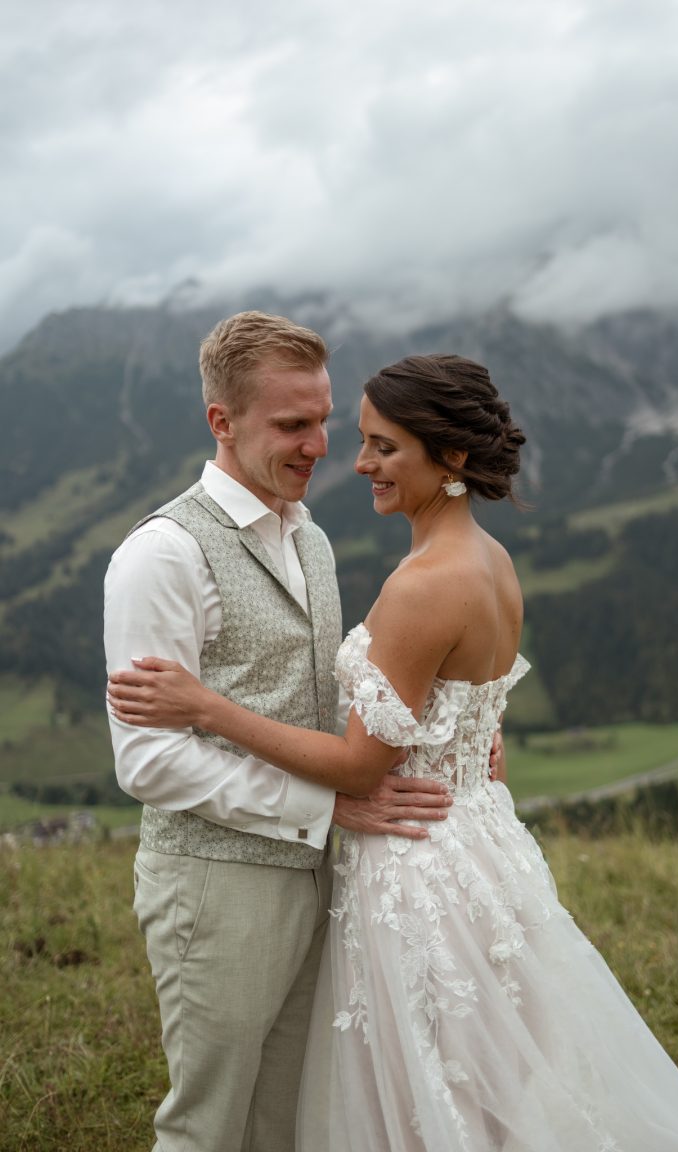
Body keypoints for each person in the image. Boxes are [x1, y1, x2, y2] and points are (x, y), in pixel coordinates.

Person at [109, 354, 678, 1152]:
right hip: (480, 849)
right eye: (356, 438)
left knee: (421, 1094)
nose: (357, 461)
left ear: (450, 457)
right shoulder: (494, 562)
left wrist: (207, 706)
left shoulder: (415, 583)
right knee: (478, 1084)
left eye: (382, 446)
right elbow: (485, 737)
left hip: (413, 866)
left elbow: (360, 766)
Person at [103, 312, 457, 1152]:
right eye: (293, 425)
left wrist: (441, 735)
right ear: (221, 422)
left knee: (286, 1122)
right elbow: (146, 761)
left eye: (323, 418)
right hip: (214, 885)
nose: (321, 445)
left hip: (317, 880)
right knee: (207, 1126)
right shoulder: (163, 555)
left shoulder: (314, 538)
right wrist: (323, 807)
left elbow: (312, 701)